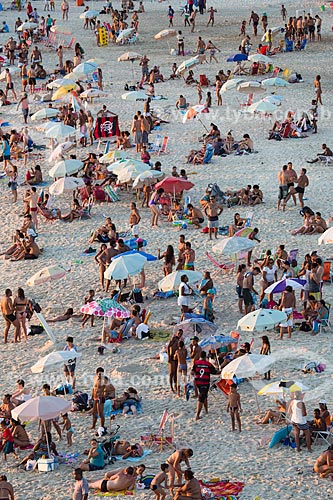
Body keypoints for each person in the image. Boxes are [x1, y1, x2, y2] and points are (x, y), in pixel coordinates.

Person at [192, 351, 217, 420]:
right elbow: (215, 372)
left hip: (198, 382)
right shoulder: (208, 364)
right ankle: (197, 415)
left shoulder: (196, 363)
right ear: (205, 356)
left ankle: (206, 410)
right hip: (205, 383)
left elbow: (192, 372)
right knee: (202, 398)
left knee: (204, 396)